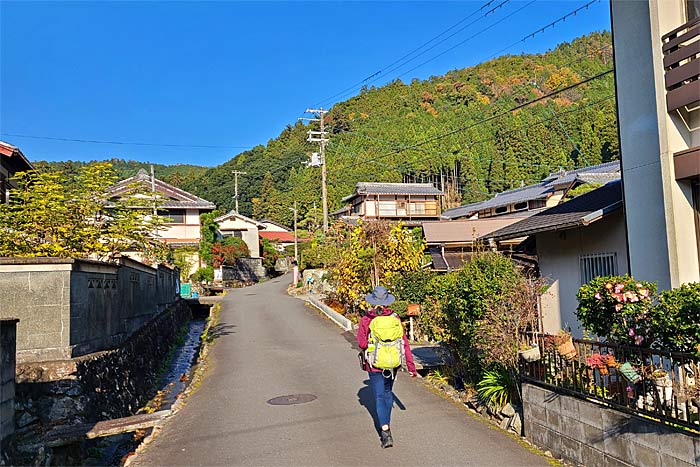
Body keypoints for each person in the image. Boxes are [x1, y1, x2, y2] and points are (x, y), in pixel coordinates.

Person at [357, 285, 417, 449]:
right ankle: (386, 422)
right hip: (392, 363)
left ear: (372, 301)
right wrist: (411, 367)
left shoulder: (366, 320)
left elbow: (362, 343)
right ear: (387, 303)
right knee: (388, 392)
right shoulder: (395, 319)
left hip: (374, 363)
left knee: (378, 396)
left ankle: (385, 430)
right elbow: (404, 343)